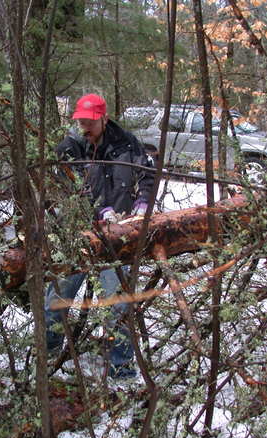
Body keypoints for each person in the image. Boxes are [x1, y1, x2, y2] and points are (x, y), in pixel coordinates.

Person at [45, 93, 154, 379]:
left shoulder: (127, 143)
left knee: (118, 304)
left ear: (104, 118)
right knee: (58, 296)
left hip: (119, 236)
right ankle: (48, 350)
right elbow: (73, 184)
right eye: (81, 120)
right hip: (79, 234)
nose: (85, 126)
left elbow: (147, 174)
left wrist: (143, 202)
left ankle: (121, 369)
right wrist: (97, 208)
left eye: (90, 121)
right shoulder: (71, 147)